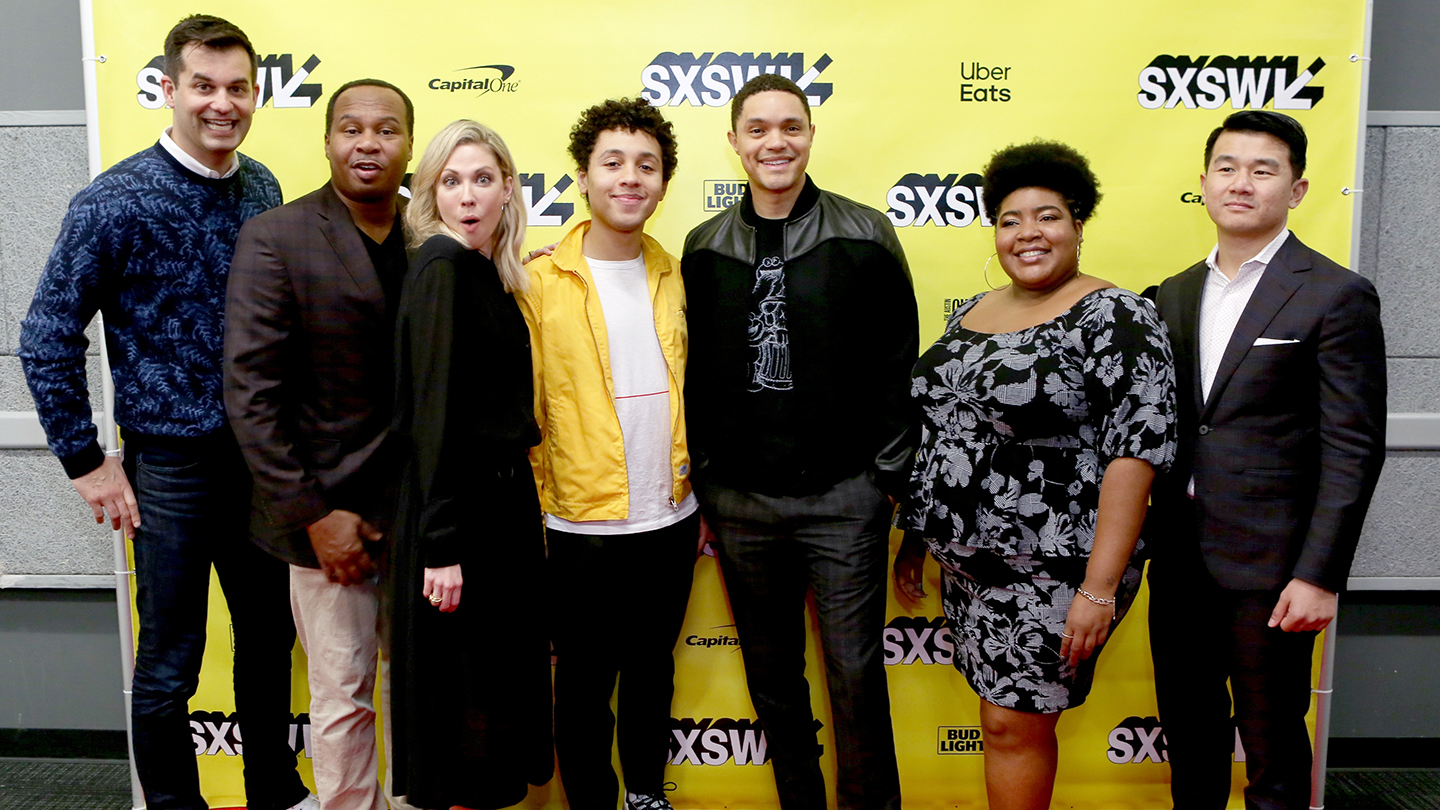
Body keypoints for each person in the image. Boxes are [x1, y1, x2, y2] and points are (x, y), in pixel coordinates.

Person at [18, 15, 314, 810]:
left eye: (238, 88)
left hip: (260, 466)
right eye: (204, 86)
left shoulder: (261, 187)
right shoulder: (113, 201)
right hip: (171, 468)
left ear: (255, 93)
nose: (223, 104)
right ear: (169, 88)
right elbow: (45, 338)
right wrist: (85, 461)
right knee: (170, 665)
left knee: (267, 645)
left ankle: (272, 793)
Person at [892, 140, 1177, 810]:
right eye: (1010, 220)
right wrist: (916, 534)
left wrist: (1100, 589)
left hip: (1054, 568)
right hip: (970, 568)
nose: (1027, 234)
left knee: (1013, 724)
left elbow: (1136, 452)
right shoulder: (974, 312)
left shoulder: (1115, 316)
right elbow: (945, 431)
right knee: (1001, 721)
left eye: (1046, 217)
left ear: (1079, 225)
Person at [681, 74, 915, 810]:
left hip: (844, 499)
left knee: (854, 679)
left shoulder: (865, 232)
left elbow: (898, 364)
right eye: (757, 129)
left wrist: (884, 478)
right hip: (742, 505)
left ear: (810, 135)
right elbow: (693, 374)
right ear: (733, 143)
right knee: (773, 683)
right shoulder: (703, 246)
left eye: (790, 127)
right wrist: (710, 481)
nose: (774, 142)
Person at [1147, 111, 1386, 810]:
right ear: (1204, 183)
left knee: (1274, 748)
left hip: (1275, 573)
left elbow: (1353, 443)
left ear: (1298, 187)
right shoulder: (1174, 292)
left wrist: (1319, 575)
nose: (1241, 183)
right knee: (1189, 740)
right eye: (1227, 167)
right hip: (1181, 561)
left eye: (1263, 170)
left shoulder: (1335, 293)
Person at [224, 79, 415, 810]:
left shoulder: (430, 233)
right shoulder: (277, 235)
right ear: (329, 139)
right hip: (324, 524)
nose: (368, 143)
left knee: (415, 696)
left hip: (418, 517)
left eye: (386, 129)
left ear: (407, 144)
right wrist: (312, 514)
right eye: (351, 129)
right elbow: (250, 393)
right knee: (341, 697)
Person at [517, 97, 697, 810]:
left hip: (670, 518)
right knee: (585, 683)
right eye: (613, 163)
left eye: (646, 166)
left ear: (663, 182)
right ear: (584, 179)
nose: (631, 178)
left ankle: (647, 795)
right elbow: (522, 412)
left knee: (653, 672)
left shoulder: (677, 273)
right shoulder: (535, 281)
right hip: (577, 528)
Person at [386, 119, 554, 810]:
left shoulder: (481, 272)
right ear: (429, 193)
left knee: (488, 711)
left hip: (498, 518)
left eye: (483, 179)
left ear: (509, 188)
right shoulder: (442, 270)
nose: (468, 196)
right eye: (450, 182)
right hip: (462, 529)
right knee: (465, 723)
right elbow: (433, 421)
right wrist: (441, 547)